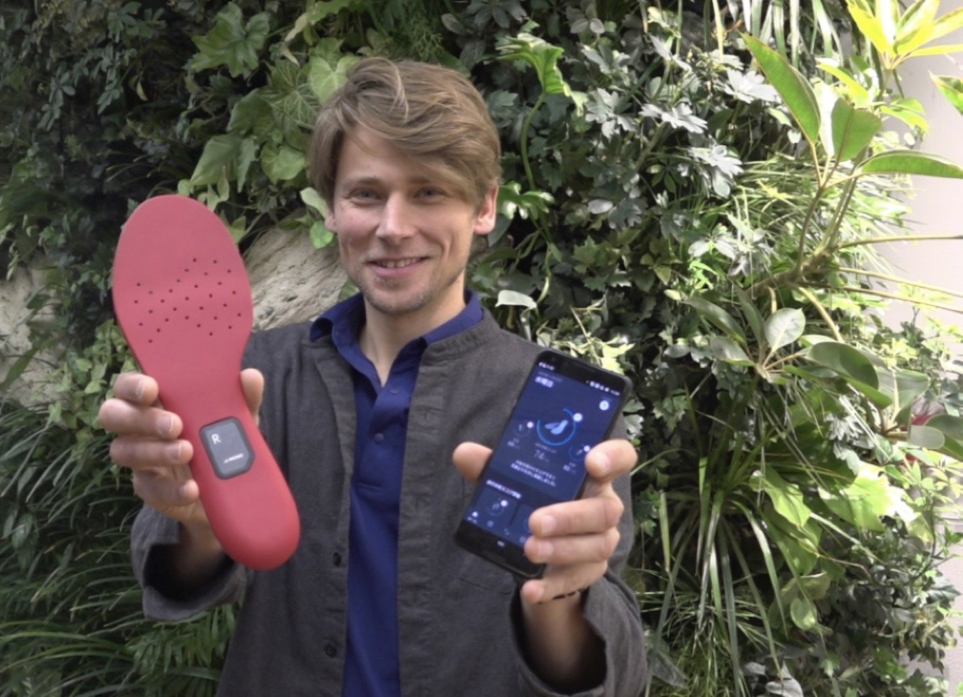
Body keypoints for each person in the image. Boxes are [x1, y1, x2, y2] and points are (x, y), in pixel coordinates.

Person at [99, 57, 648, 696]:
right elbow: (177, 579)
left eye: (429, 192)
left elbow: (614, 674)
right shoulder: (253, 377)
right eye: (366, 194)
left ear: (485, 207)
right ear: (331, 209)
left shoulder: (556, 408)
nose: (392, 228)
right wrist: (196, 520)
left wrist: (560, 597)